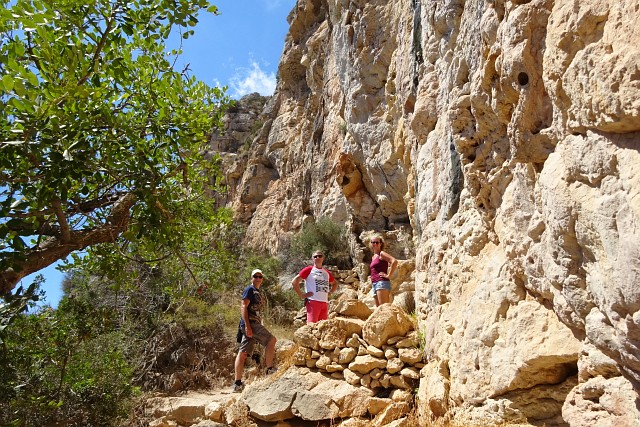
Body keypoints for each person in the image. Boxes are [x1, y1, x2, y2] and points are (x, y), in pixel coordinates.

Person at [233, 269, 277, 393]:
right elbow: (243, 306)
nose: (258, 278)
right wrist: (247, 326)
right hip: (251, 323)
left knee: (243, 353)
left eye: (260, 277)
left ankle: (237, 383)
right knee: (271, 340)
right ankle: (269, 369)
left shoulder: (257, 292)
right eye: (255, 276)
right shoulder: (249, 289)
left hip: (253, 324)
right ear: (251, 278)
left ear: (262, 279)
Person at [291, 250, 338, 323]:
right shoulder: (309, 270)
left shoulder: (326, 272)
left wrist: (330, 292)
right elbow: (294, 282)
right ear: (312, 259)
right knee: (312, 326)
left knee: (322, 327)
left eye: (320, 256)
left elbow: (335, 284)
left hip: (324, 303)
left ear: (323, 258)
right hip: (313, 302)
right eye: (315, 256)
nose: (317, 258)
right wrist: (302, 295)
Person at [369, 235, 398, 306]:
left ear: (381, 244)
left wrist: (388, 275)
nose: (375, 244)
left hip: (381, 283)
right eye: (373, 242)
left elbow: (394, 261)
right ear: (371, 244)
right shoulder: (373, 257)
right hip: (374, 283)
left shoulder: (381, 254)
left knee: (384, 308)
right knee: (379, 309)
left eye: (377, 242)